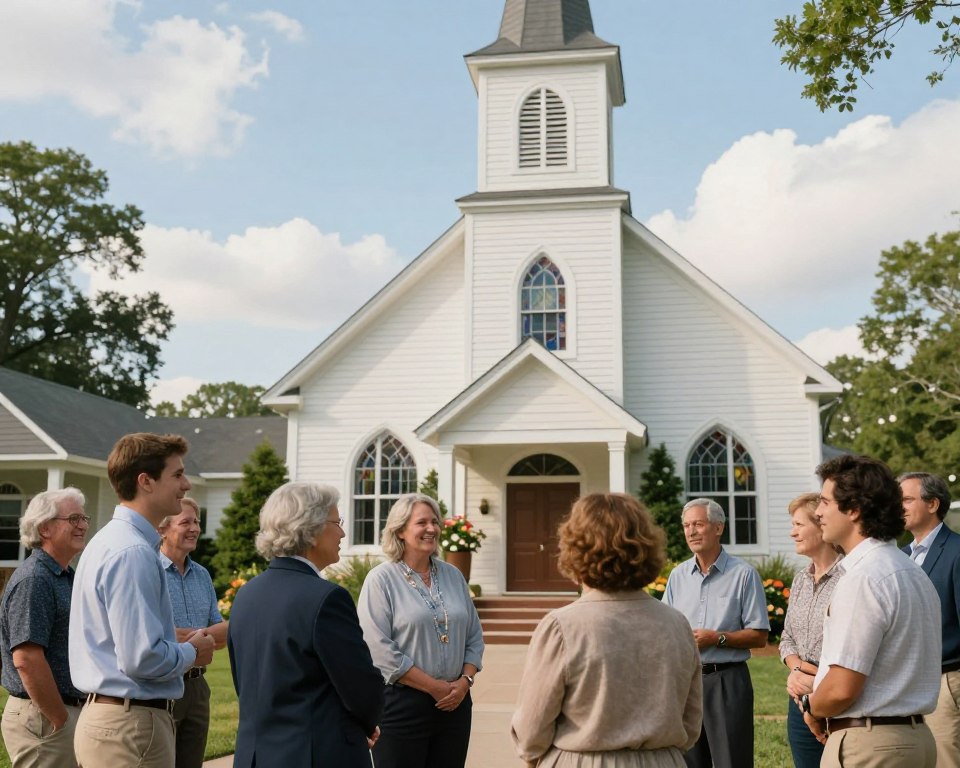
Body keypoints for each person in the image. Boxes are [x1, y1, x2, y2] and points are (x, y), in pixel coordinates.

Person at [511, 493, 702, 768]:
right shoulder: (677, 623)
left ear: (575, 547)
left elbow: (532, 730)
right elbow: (691, 722)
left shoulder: (562, 627)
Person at [69, 433, 215, 768]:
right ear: (145, 481)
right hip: (131, 725)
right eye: (177, 475)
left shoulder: (110, 541)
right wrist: (194, 651)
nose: (187, 484)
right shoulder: (133, 552)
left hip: (114, 719)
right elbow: (142, 658)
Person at [228, 482, 384, 768]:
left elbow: (246, 683)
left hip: (257, 756)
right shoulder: (326, 598)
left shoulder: (246, 594)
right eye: (337, 522)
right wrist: (366, 722)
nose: (343, 532)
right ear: (311, 530)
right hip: (316, 754)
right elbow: (360, 685)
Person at [802, 455, 941, 768]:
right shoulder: (912, 572)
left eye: (824, 502)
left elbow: (841, 688)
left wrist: (811, 707)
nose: (818, 512)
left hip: (871, 746)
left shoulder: (864, 579)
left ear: (853, 509)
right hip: (915, 740)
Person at [357, 493, 484, 768]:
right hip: (402, 707)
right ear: (400, 530)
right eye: (422, 522)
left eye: (435, 522)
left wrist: (465, 682)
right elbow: (378, 650)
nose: (431, 529)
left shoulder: (453, 576)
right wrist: (434, 687)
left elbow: (474, 637)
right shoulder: (381, 580)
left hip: (456, 705)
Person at [663, 498, 769, 768]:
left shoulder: (744, 575)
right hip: (687, 682)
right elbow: (666, 627)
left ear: (718, 528)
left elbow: (759, 636)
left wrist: (717, 638)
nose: (691, 531)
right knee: (688, 762)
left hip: (727, 682)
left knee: (731, 761)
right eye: (686, 525)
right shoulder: (678, 576)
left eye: (698, 524)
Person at [0, 488, 89, 768]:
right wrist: (60, 718)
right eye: (74, 518)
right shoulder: (35, 579)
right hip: (43, 715)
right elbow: (26, 660)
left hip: (59, 711)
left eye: (84, 518)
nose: (83, 525)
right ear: (45, 528)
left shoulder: (64, 576)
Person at [158, 497, 227, 768]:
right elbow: (158, 638)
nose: (195, 528)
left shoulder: (203, 575)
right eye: (185, 521)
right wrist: (203, 637)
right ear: (162, 529)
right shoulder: (150, 571)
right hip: (164, 686)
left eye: (197, 521)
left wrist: (187, 636)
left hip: (198, 688)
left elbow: (223, 634)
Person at [778, 492, 844, 768]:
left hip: (838, 696)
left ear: (820, 525)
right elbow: (786, 639)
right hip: (799, 697)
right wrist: (797, 671)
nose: (792, 533)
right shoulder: (800, 580)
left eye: (798, 525)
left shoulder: (849, 577)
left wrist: (815, 679)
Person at [899, 471, 960, 767]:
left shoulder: (958, 552)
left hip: (945, 681)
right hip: (904, 684)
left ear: (933, 504)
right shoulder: (900, 555)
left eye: (907, 499)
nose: (899, 506)